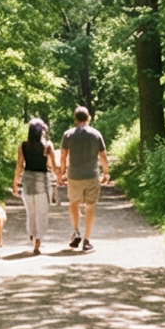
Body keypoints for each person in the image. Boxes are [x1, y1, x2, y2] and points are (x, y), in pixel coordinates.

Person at [59, 107, 107, 253]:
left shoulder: (68, 135)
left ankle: (76, 231)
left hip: (74, 176)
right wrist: (106, 173)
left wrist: (61, 173)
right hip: (92, 175)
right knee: (90, 207)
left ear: (76, 119)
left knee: (74, 203)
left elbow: (63, 156)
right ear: (88, 118)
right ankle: (87, 240)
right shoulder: (96, 134)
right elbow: (103, 156)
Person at [14, 117, 55, 254]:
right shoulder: (47, 146)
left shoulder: (23, 146)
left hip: (27, 181)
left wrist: (15, 183)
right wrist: (60, 176)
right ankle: (38, 239)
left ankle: (32, 234)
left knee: (30, 212)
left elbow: (19, 166)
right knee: (41, 212)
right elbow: (52, 166)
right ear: (42, 132)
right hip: (41, 181)